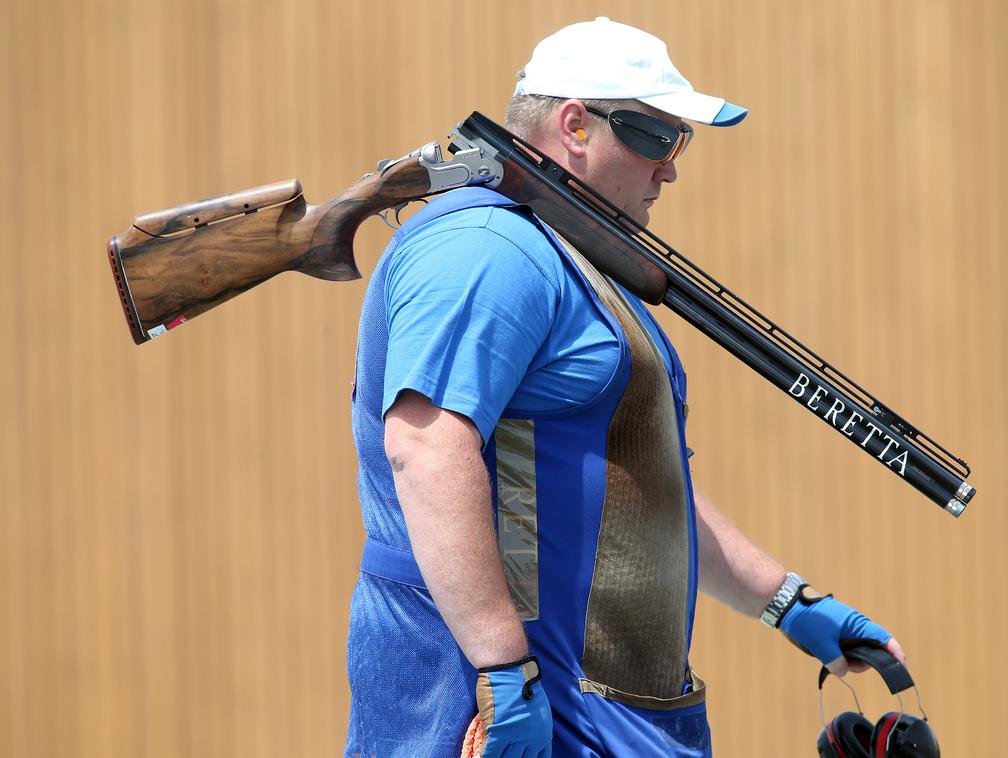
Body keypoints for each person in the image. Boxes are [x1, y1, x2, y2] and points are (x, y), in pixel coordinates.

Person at [344, 17, 904, 758]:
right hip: (507, 706)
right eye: (654, 137)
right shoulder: (487, 247)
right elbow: (425, 449)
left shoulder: (562, 253)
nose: (669, 168)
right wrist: (504, 672)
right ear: (574, 125)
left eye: (680, 142)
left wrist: (788, 602)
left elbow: (631, 484)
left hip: (595, 710)